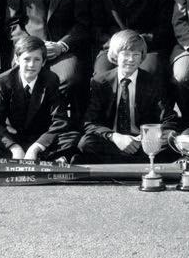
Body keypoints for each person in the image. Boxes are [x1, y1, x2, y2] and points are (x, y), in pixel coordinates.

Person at [0, 34, 78, 161]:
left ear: (44, 62)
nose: (31, 65)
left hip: (39, 138)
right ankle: (25, 157)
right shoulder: (4, 80)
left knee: (74, 137)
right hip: (14, 137)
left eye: (37, 60)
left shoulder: (51, 79)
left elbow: (60, 121)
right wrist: (14, 147)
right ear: (17, 59)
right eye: (26, 59)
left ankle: (32, 156)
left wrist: (36, 147)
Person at [77, 30, 179, 164]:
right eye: (126, 54)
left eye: (136, 55)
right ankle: (140, 162)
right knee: (86, 143)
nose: (131, 59)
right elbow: (90, 123)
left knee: (173, 144)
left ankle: (120, 163)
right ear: (115, 55)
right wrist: (114, 137)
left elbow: (168, 118)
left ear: (142, 57)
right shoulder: (100, 82)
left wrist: (166, 131)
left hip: (143, 142)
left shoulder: (153, 82)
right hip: (114, 140)